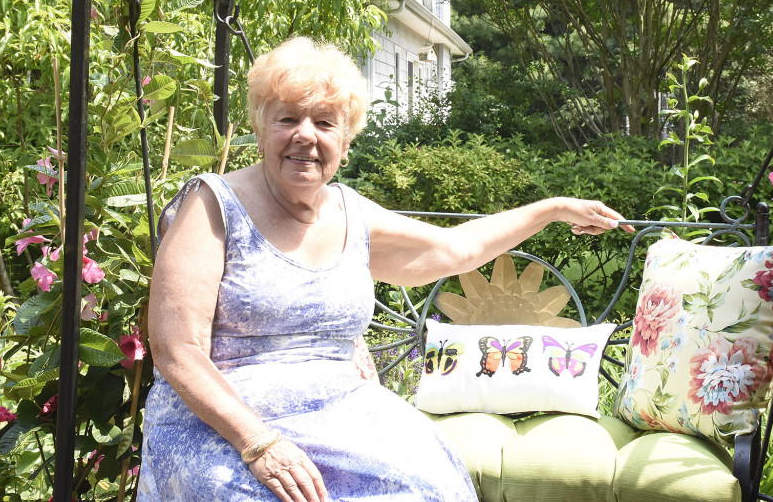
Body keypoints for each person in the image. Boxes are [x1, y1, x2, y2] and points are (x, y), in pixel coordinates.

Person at [137, 37, 632, 502]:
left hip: (337, 414)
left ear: (346, 142)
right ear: (262, 129)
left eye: (325, 123)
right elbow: (176, 350)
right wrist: (260, 445)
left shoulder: (351, 212)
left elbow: (456, 248)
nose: (305, 136)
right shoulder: (213, 205)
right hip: (223, 427)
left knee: (428, 483)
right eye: (287, 119)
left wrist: (552, 209)